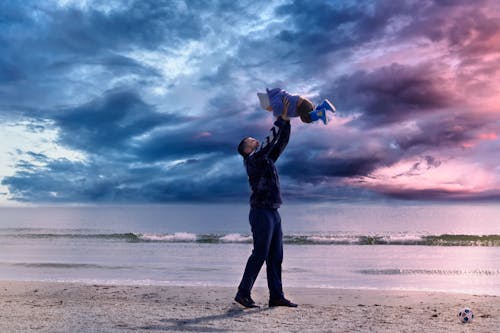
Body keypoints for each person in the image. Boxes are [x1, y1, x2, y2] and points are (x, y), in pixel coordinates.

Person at [235, 97, 298, 308]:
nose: (255, 140)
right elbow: (271, 140)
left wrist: (287, 122)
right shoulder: (252, 160)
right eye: (250, 140)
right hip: (260, 212)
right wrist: (280, 120)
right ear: (245, 149)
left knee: (276, 255)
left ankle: (276, 296)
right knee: (260, 253)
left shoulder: (266, 160)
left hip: (273, 211)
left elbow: (280, 143)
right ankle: (243, 293)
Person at [257, 87, 336, 125]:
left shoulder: (275, 103)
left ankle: (321, 113)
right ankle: (324, 105)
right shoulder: (277, 95)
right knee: (311, 113)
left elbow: (279, 114)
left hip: (302, 106)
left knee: (306, 119)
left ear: (268, 103)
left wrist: (277, 118)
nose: (269, 110)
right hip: (305, 103)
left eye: (268, 109)